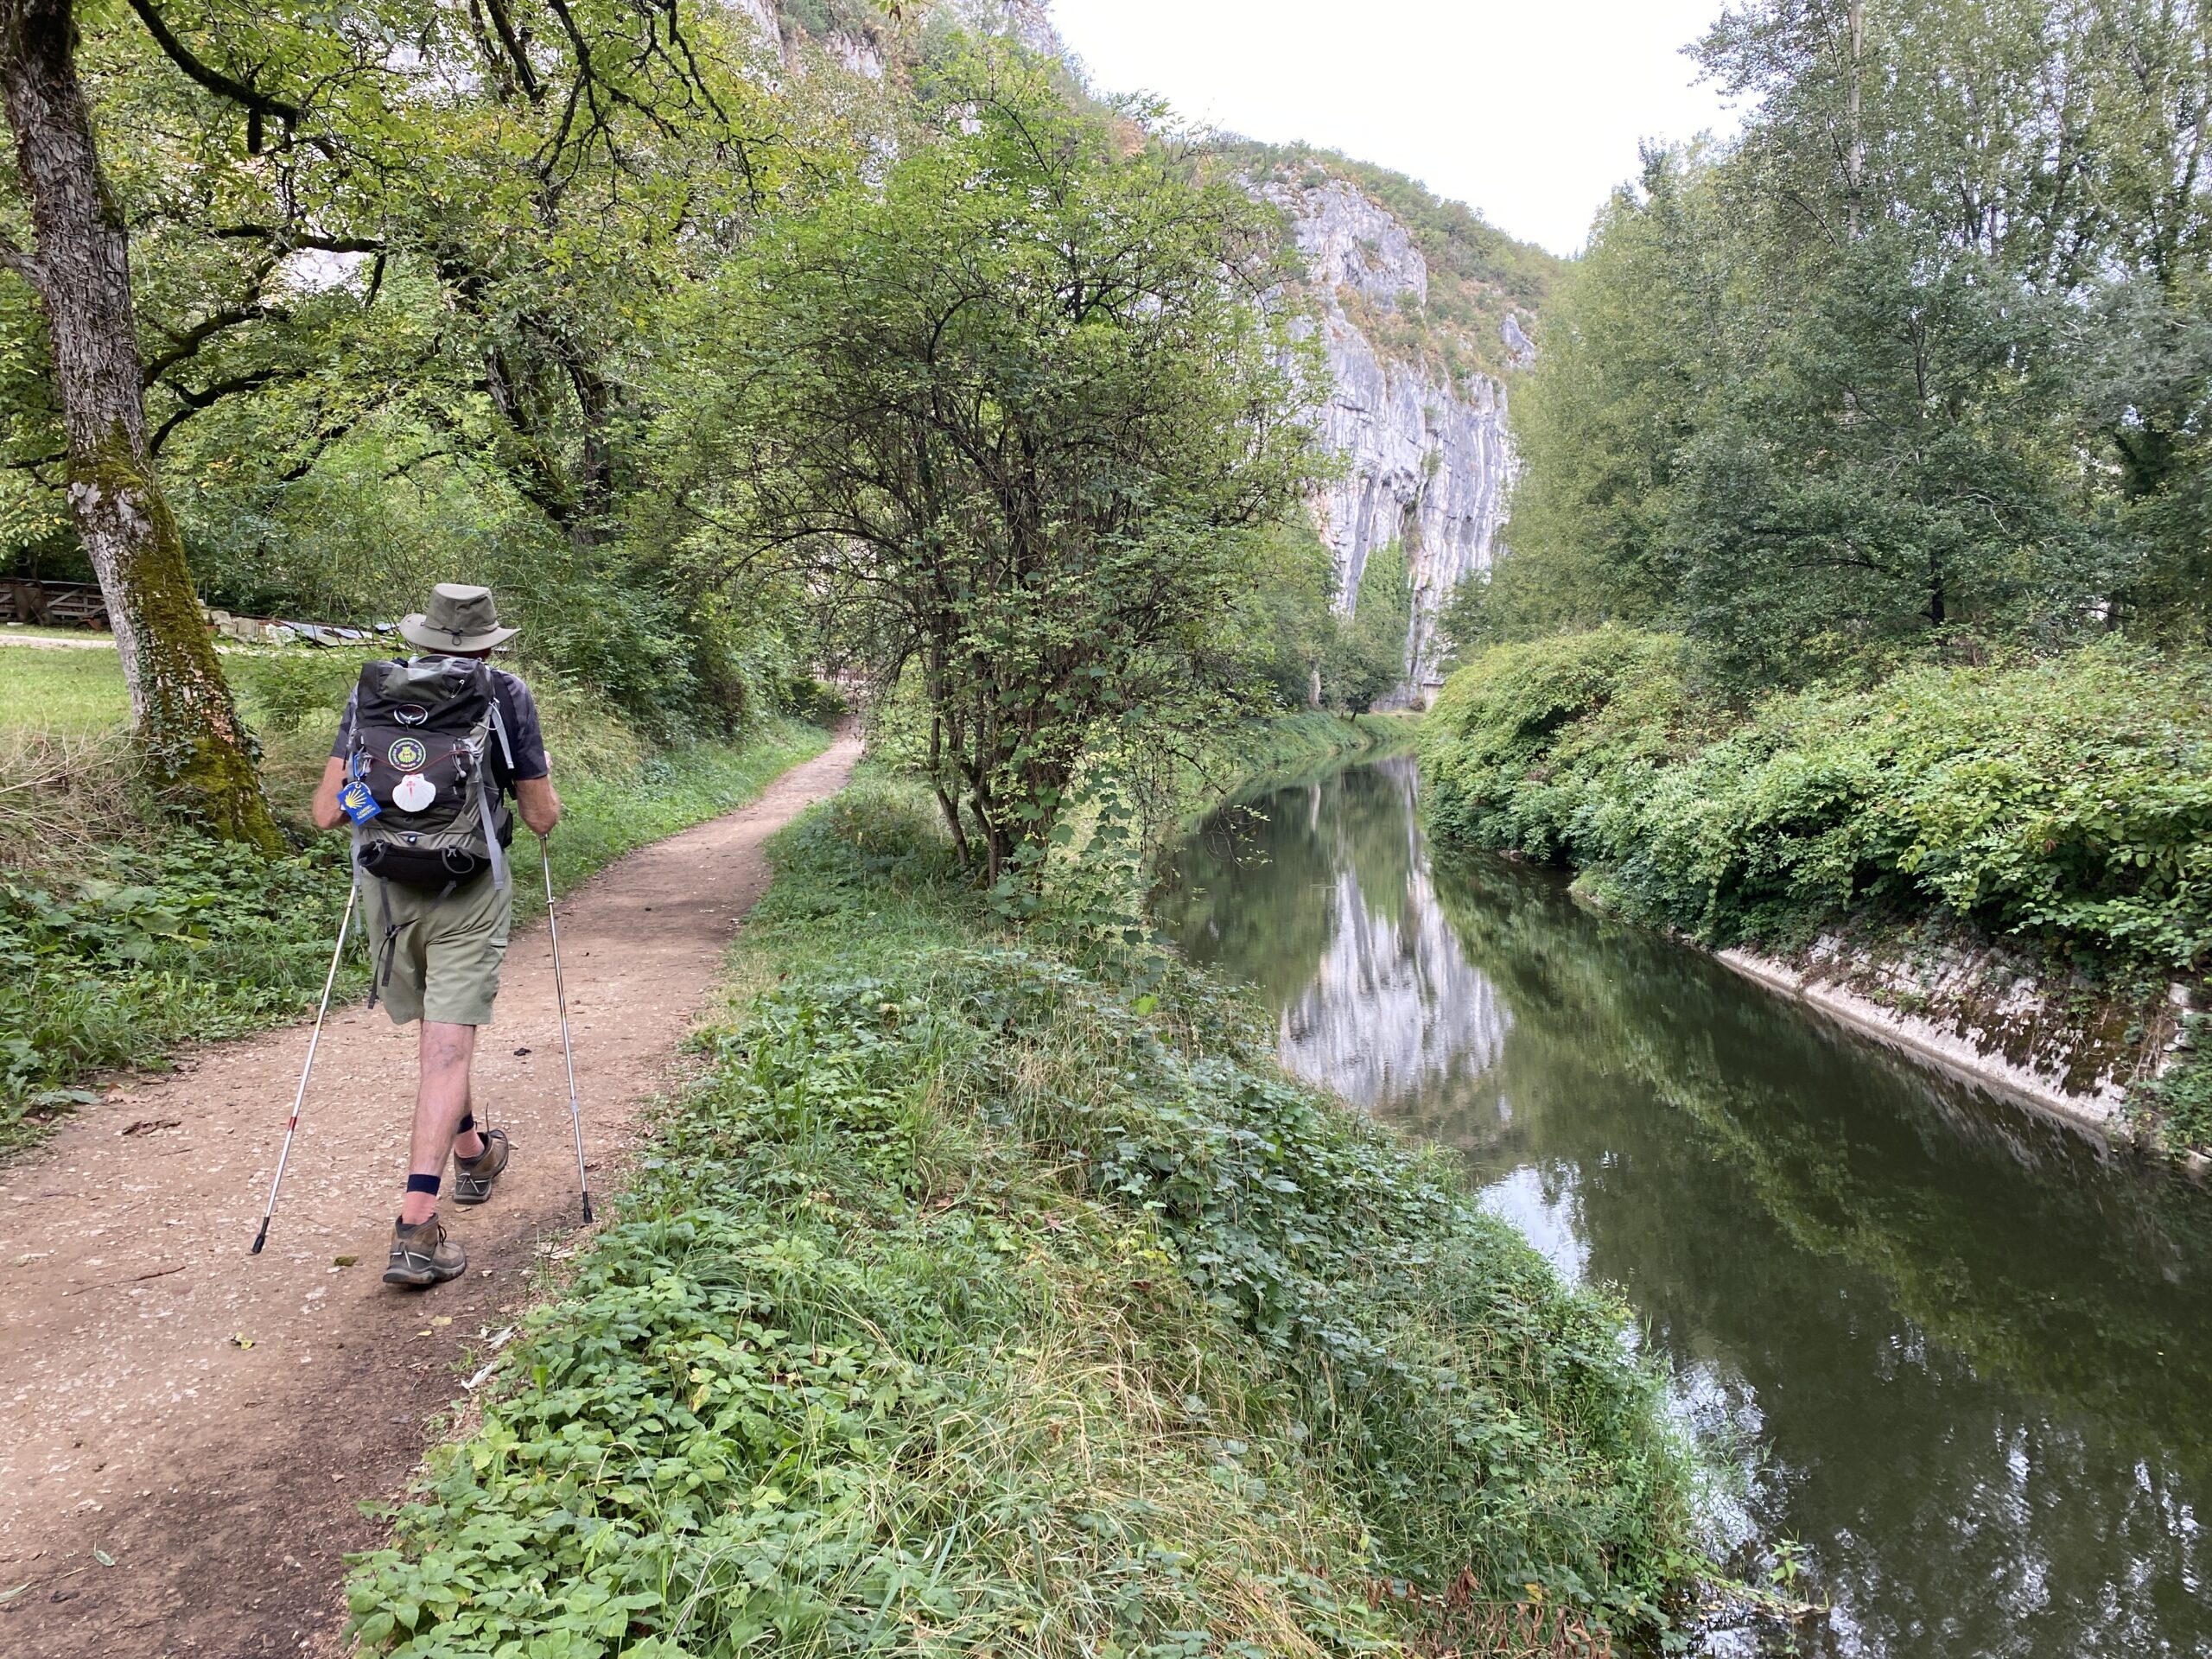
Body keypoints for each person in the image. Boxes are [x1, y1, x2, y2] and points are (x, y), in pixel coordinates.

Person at [311, 583, 562, 1288]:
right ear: (486, 642)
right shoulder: (505, 693)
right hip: (470, 890)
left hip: (387, 888)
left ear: (423, 636)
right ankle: (417, 1226)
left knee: (439, 1038)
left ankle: (476, 1153)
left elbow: (328, 811)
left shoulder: (376, 691)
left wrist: (387, 821)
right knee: (448, 1047)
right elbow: (540, 815)